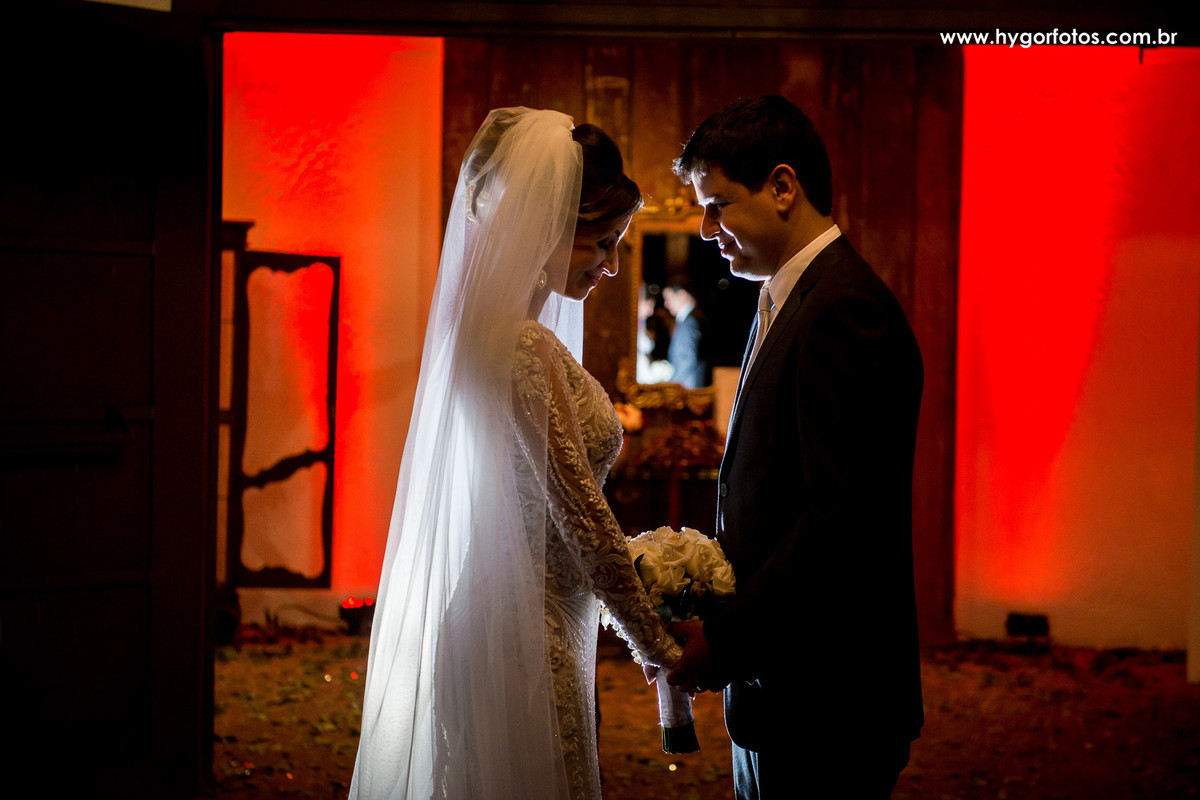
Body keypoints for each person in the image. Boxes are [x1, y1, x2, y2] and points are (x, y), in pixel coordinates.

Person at [348, 108, 681, 800]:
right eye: (602, 242)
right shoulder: (523, 346)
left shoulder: (492, 333)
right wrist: (660, 645)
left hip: (513, 612)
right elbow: (582, 519)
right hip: (525, 633)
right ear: (551, 224)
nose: (612, 266)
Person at [664, 95, 925, 797]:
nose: (706, 229)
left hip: (828, 699)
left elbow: (841, 521)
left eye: (718, 205)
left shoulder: (845, 310)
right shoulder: (788, 297)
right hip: (779, 685)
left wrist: (726, 639)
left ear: (783, 186)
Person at [662, 278, 710, 388]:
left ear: (682, 295)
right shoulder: (691, 319)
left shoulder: (690, 321)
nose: (666, 304)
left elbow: (688, 359)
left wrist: (671, 385)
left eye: (668, 298)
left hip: (688, 386)